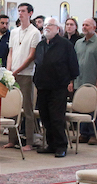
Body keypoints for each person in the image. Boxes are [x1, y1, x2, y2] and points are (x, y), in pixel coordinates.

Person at [33, 18, 79, 157]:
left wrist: (69, 81)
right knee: (45, 116)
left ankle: (61, 145)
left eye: (50, 25)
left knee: (56, 117)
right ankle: (51, 144)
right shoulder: (41, 45)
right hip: (42, 86)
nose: (47, 27)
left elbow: (73, 65)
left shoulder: (65, 45)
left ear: (57, 28)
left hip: (58, 87)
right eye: (45, 25)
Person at [7, 3, 42, 149]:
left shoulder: (35, 32)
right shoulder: (14, 32)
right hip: (12, 74)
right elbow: (10, 53)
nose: (20, 13)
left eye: (23, 11)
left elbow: (31, 56)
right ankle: (12, 139)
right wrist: (8, 71)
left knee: (27, 109)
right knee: (12, 107)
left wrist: (17, 70)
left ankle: (29, 142)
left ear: (30, 13)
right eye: (19, 11)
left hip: (26, 74)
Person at [74, 18, 97, 143]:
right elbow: (74, 62)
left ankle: (93, 134)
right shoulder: (78, 43)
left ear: (94, 27)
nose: (84, 27)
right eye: (83, 25)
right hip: (80, 80)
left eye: (87, 25)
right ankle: (83, 133)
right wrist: (72, 81)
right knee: (82, 108)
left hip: (93, 81)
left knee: (93, 108)